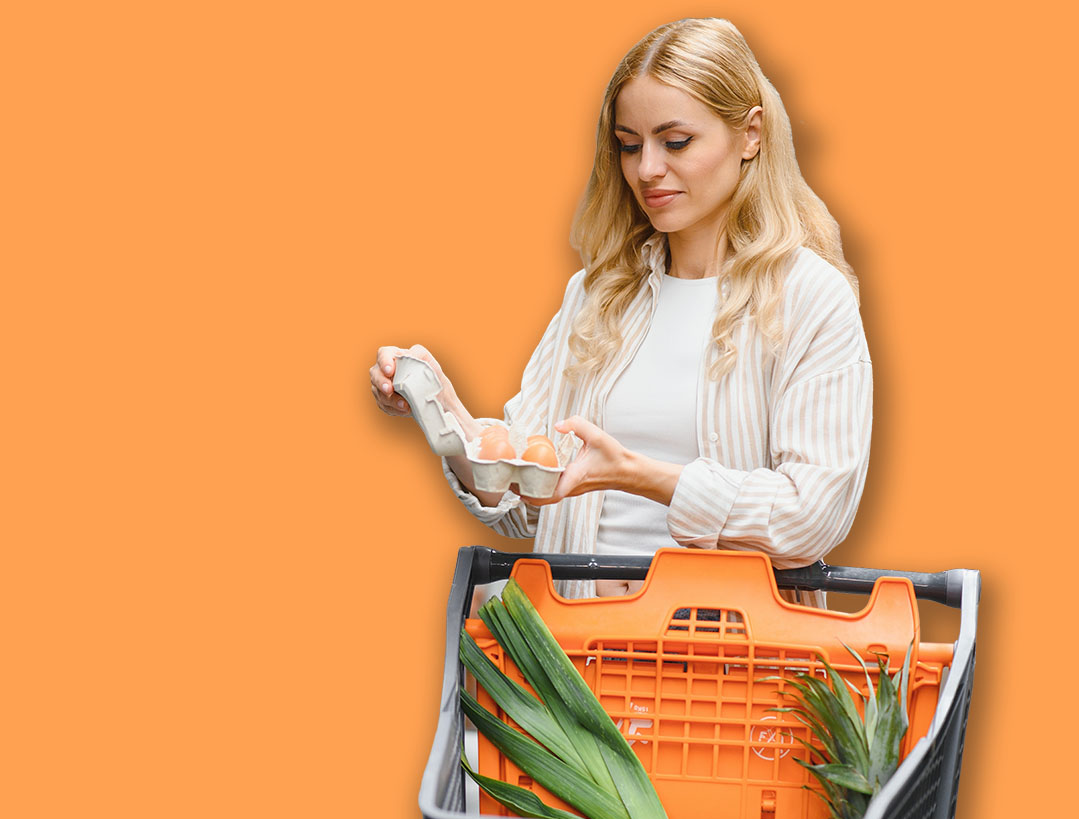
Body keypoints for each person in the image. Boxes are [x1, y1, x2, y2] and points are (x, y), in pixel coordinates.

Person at [371, 18, 871, 602]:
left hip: (729, 666)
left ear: (751, 135)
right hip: (573, 665)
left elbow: (810, 519)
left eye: (675, 142)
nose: (647, 170)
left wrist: (640, 475)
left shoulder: (810, 298)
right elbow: (525, 509)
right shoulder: (598, 294)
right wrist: (448, 416)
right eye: (629, 145)